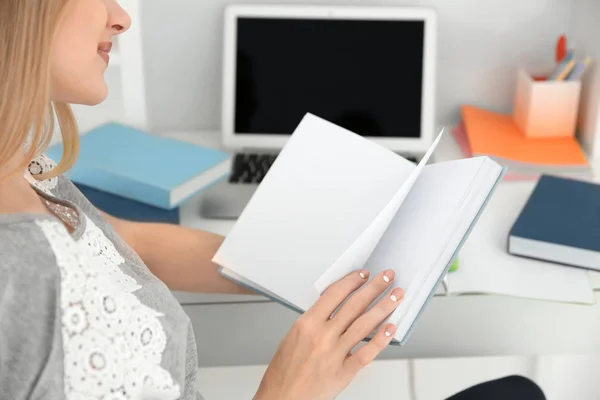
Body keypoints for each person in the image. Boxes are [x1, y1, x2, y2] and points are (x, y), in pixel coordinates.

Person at [0, 1, 546, 399]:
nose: (121, 16)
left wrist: (287, 266)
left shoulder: (23, 166)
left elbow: (124, 241)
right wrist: (287, 391)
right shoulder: (21, 276)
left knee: (517, 391)